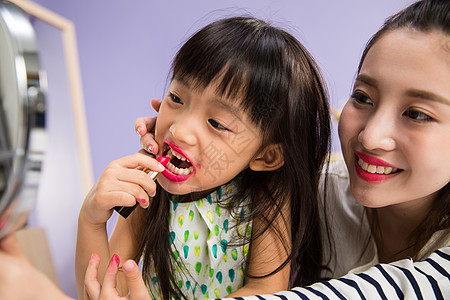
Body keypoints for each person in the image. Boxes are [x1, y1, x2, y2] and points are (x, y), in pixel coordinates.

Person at [85, 0, 450, 298]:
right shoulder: (307, 184)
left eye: (417, 113)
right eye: (363, 97)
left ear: (269, 155)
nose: (370, 138)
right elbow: (101, 281)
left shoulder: (272, 201)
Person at [76, 16, 331, 299]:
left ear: (266, 156)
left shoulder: (267, 196)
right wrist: (91, 219)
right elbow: (98, 292)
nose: (180, 130)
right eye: (176, 98)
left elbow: (266, 290)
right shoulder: (149, 188)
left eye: (217, 123)